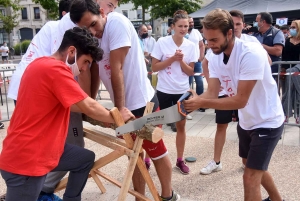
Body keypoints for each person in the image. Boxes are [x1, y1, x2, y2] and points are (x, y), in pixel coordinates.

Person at [0, 27, 133, 201]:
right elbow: (88, 105)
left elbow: (74, 105)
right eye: (85, 61)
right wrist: (115, 117)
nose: (85, 69)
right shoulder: (56, 69)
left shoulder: (39, 64)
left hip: (39, 149)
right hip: (27, 161)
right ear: (72, 51)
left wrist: (106, 116)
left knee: (84, 159)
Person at [70, 0, 179, 200]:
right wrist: (90, 103)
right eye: (86, 29)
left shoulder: (116, 23)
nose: (92, 32)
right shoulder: (94, 36)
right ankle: (140, 197)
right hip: (124, 107)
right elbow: (94, 70)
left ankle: (168, 195)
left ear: (102, 12)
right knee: (134, 156)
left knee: (156, 150)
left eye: (93, 24)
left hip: (143, 103)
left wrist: (119, 108)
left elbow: (116, 68)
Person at [184, 9, 284, 201]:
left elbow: (240, 100)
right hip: (247, 121)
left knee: (250, 178)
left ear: (229, 33)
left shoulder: (251, 53)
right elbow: (212, 92)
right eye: (206, 40)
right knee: (250, 164)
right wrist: (194, 100)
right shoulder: (213, 56)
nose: (209, 45)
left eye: (214, 40)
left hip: (267, 121)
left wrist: (202, 102)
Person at [151, 10, 198, 175]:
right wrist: (172, 59)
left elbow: (191, 72)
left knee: (181, 126)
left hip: (181, 91)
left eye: (186, 26)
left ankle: (180, 159)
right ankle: (150, 156)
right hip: (164, 90)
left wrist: (181, 60)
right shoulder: (162, 42)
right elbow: (154, 67)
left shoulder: (191, 46)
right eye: (180, 26)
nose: (184, 29)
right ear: (172, 27)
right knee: (156, 125)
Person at [281, 20, 300, 124]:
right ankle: (286, 114)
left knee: (298, 93)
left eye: (294, 27)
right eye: (291, 27)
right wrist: (283, 69)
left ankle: (298, 114)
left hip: (298, 71)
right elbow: (284, 56)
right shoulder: (287, 40)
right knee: (287, 92)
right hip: (287, 71)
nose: (291, 29)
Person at [187, 16, 205, 114]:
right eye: (190, 22)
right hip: (187, 62)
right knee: (188, 83)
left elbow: (201, 45)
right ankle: (189, 103)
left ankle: (200, 102)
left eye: (192, 22)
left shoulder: (196, 32)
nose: (191, 24)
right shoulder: (183, 33)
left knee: (200, 81)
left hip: (197, 61)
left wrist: (201, 56)